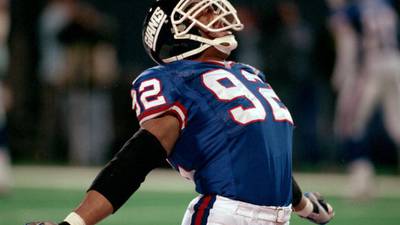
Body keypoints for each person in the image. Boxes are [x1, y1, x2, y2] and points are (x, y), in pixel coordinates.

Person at [26, 0, 334, 225]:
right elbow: (137, 158)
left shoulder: (249, 73)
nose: (219, 13)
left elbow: (262, 155)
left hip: (275, 217)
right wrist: (73, 223)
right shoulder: (174, 79)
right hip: (226, 215)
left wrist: (304, 205)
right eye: (205, 11)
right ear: (178, 33)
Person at [328, 0, 400, 199]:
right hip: (394, 64)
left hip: (369, 69)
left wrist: (341, 74)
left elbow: (348, 43)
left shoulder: (351, 10)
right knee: (397, 126)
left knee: (350, 124)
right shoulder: (385, 5)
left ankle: (361, 180)